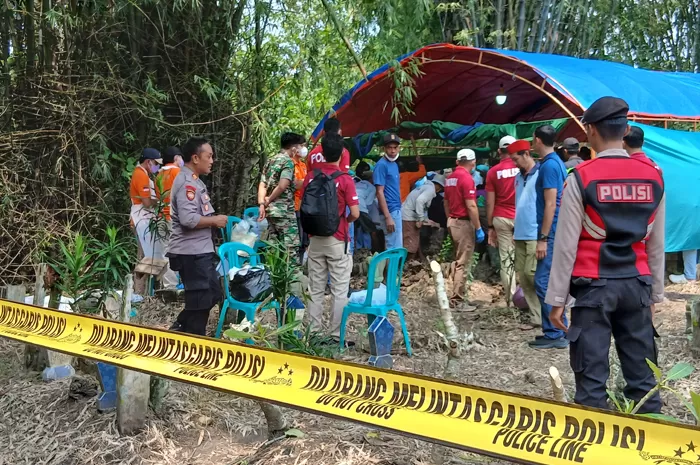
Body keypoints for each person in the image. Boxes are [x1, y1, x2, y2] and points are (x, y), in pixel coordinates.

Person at [546, 96, 665, 413]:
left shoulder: (581, 176)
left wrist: (557, 300)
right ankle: (652, 437)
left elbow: (566, 244)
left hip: (593, 289)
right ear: (625, 131)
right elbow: (656, 243)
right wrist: (655, 294)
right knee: (644, 381)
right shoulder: (654, 175)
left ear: (590, 131)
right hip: (637, 285)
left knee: (591, 382)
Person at [167, 138, 228, 335]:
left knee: (212, 293)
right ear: (195, 158)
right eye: (208, 156)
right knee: (201, 299)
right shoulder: (187, 184)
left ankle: (180, 327)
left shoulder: (195, 180)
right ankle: (193, 339)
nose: (212, 161)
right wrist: (214, 221)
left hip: (200, 250)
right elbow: (188, 219)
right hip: (190, 252)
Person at [303, 133, 359, 345]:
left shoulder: (310, 177)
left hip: (315, 239)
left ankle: (313, 334)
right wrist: (344, 220)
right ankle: (335, 336)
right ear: (342, 154)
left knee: (315, 289)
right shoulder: (345, 179)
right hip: (337, 239)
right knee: (339, 290)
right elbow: (355, 213)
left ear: (323, 153)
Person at [531, 124, 569, 349]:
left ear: (537, 140)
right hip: (553, 229)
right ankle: (556, 328)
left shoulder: (550, 166)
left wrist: (543, 238)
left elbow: (550, 204)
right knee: (549, 280)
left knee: (543, 280)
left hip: (551, 231)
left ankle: (555, 332)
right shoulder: (553, 163)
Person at [444, 149, 486, 307]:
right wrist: (478, 227)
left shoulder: (450, 178)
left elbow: (446, 202)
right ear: (473, 162)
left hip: (453, 221)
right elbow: (471, 206)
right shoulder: (467, 178)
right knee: (463, 262)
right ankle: (457, 300)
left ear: (457, 162)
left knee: (458, 260)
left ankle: (457, 296)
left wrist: (449, 218)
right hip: (463, 223)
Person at [129, 148, 173, 292]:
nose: (157, 166)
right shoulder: (140, 175)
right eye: (156, 163)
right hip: (140, 218)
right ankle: (139, 291)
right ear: (148, 162)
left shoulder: (143, 174)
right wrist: (161, 201)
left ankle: (145, 290)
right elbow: (147, 202)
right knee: (144, 257)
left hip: (146, 218)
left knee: (149, 255)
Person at [508, 140, 542, 327]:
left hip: (535, 231)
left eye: (516, 159)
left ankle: (548, 313)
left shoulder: (540, 174)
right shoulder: (518, 177)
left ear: (526, 154)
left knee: (532, 274)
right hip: (520, 231)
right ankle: (536, 317)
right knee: (523, 275)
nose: (515, 163)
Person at [258, 132, 304, 262]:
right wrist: (270, 198)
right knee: (290, 249)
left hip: (271, 212)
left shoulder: (270, 160)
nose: (301, 149)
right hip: (284, 211)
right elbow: (283, 185)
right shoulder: (288, 162)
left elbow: (263, 184)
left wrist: (262, 204)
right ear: (293, 148)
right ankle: (292, 274)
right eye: (300, 146)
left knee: (274, 247)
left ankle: (273, 273)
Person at [486, 136, 518, 299]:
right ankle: (527, 298)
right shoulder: (523, 167)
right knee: (527, 258)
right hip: (522, 218)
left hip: (501, 217)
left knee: (506, 259)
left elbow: (489, 202)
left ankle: (511, 299)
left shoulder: (493, 172)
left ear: (499, 151)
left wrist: (490, 226)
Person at [154, 146, 184, 289]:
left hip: (161, 216)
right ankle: (182, 283)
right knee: (181, 250)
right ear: (176, 158)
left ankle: (169, 285)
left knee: (165, 252)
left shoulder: (159, 175)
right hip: (174, 217)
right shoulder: (177, 172)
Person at [401, 175, 445, 260]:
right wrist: (421, 219)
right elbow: (420, 201)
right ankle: (407, 263)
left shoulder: (424, 187)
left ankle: (417, 259)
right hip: (409, 216)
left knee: (414, 240)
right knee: (410, 243)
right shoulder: (430, 190)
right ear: (438, 186)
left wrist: (426, 220)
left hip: (408, 214)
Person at [374, 133, 403, 250]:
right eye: (389, 147)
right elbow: (379, 192)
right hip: (390, 211)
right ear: (384, 149)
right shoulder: (381, 165)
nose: (393, 151)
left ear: (398, 148)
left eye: (395, 147)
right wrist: (387, 217)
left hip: (396, 209)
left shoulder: (394, 164)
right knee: (393, 248)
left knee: (397, 246)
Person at [354, 162, 379, 251]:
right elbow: (368, 205)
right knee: (367, 230)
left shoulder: (356, 184)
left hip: (351, 209)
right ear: (371, 178)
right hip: (362, 209)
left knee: (357, 231)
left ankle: (357, 250)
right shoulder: (372, 187)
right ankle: (367, 250)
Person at [292, 142, 310, 263]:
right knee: (296, 237)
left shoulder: (303, 165)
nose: (304, 148)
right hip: (294, 205)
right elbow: (296, 184)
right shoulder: (290, 164)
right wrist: (309, 181)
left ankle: (301, 264)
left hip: (305, 206)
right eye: (301, 145)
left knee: (304, 238)